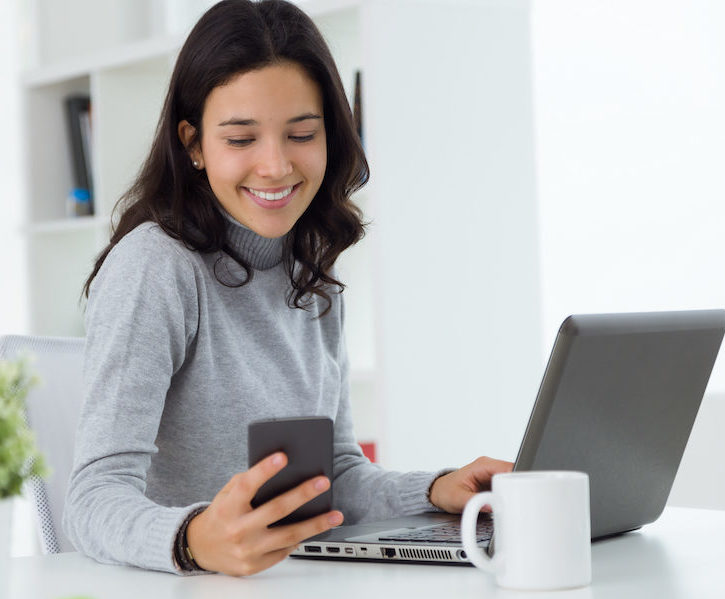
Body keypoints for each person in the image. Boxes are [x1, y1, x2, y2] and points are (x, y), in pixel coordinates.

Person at [63, 0, 512, 577]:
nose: (275, 166)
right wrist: (194, 540)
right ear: (194, 144)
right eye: (241, 139)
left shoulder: (311, 268)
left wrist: (437, 489)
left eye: (301, 133)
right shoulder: (156, 267)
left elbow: (336, 477)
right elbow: (94, 498)